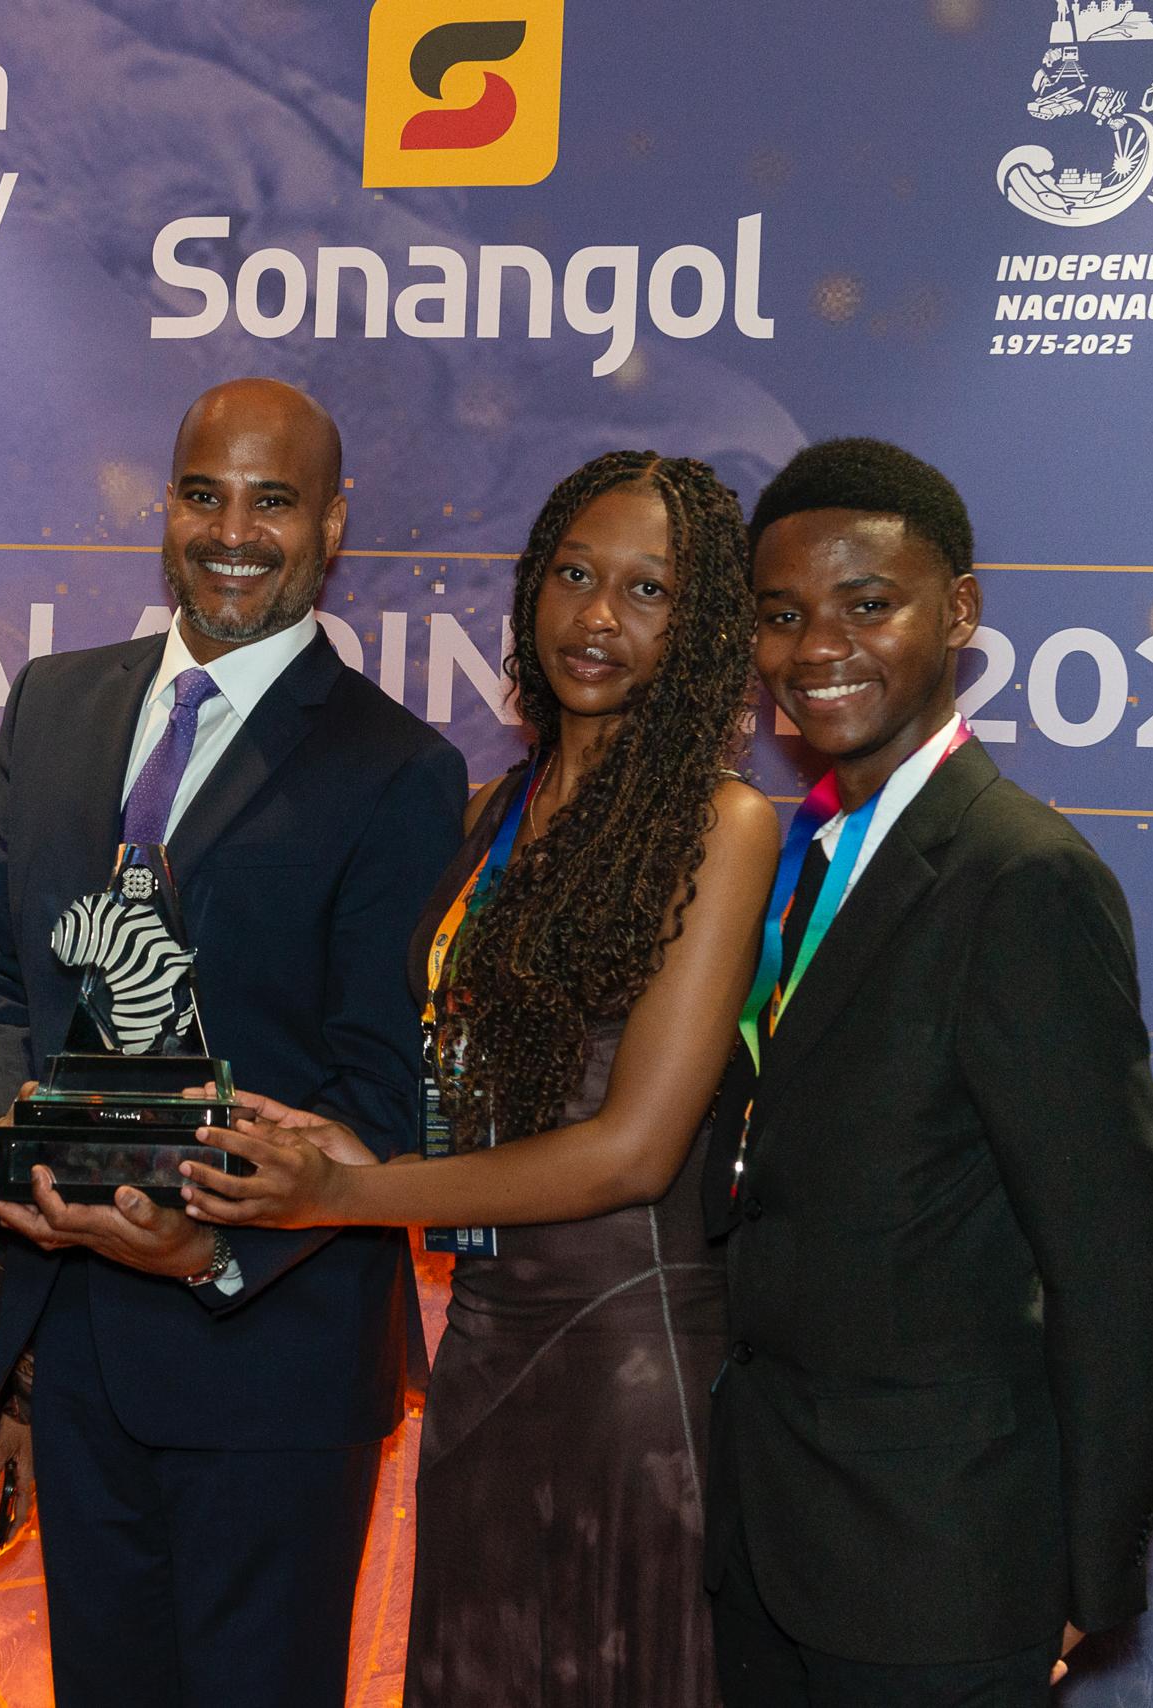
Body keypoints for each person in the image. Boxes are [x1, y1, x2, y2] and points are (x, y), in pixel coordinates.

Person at [179, 451, 778, 1705]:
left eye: (648, 590)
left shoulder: (723, 826)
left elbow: (634, 1150)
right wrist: (331, 1148)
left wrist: (336, 1198)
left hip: (630, 1373)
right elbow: (453, 1082)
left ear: (704, 622)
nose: (598, 617)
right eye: (573, 574)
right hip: (483, 1355)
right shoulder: (490, 809)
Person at [0, 378, 467, 1707]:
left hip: (269, 1356)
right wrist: (19, 1150)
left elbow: (376, 1085)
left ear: (332, 525)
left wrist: (220, 1246)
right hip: (77, 1340)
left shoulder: (395, 768)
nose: (234, 529)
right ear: (164, 509)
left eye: (273, 500)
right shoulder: (54, 705)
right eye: (204, 493)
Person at [702, 438, 1153, 1705]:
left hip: (942, 1566)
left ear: (958, 611)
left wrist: (1085, 1575)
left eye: (868, 604)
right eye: (783, 616)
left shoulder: (1019, 875)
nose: (819, 649)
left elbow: (1117, 1256)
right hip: (772, 1540)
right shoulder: (816, 856)